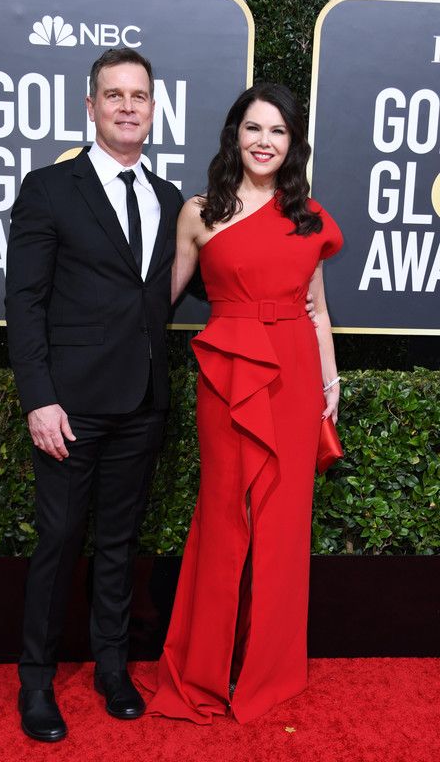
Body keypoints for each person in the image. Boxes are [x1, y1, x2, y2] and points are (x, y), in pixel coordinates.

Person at [144, 82, 342, 724]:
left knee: (284, 522)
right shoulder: (200, 212)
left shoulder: (308, 216)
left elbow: (317, 309)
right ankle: (203, 671)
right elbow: (160, 301)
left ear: (292, 144)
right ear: (235, 135)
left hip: (294, 373)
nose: (264, 141)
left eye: (278, 131)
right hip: (227, 374)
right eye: (254, 128)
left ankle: (269, 671)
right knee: (224, 516)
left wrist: (330, 382)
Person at [5, 48, 183, 741]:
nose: (128, 106)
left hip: (142, 400)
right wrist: (38, 399)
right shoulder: (50, 189)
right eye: (114, 95)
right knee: (59, 540)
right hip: (70, 406)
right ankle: (36, 680)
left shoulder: (170, 198)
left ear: (153, 108)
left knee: (118, 541)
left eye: (139, 95)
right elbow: (25, 302)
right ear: (91, 106)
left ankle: (112, 667)